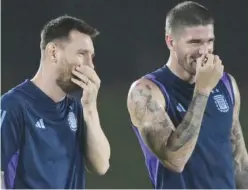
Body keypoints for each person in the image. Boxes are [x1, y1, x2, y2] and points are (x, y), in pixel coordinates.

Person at [127, 1, 248, 189]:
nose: (204, 51)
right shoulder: (146, 92)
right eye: (194, 42)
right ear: (170, 41)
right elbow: (175, 160)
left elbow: (239, 160)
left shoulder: (226, 83)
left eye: (209, 41)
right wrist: (202, 90)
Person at [1, 15, 110, 189]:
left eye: (92, 57)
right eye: (82, 54)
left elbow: (101, 165)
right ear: (53, 53)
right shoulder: (13, 106)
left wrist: (90, 108)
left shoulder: (77, 108)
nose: (91, 65)